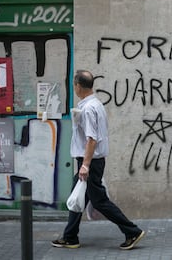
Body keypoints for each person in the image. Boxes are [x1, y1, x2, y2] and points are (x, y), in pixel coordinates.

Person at [51, 70, 145, 250]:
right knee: (76, 196)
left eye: (74, 85)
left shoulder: (88, 109)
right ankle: (70, 237)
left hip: (90, 163)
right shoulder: (95, 104)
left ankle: (132, 231)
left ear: (78, 86)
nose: (74, 88)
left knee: (100, 201)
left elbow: (91, 139)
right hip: (91, 162)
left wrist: (85, 165)